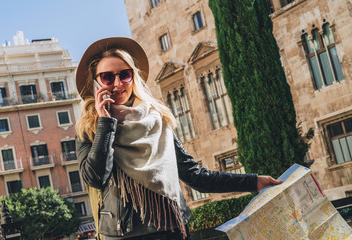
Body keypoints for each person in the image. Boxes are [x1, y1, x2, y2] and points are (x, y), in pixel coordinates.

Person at [75, 37, 282, 240]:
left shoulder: (158, 119)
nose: (118, 83)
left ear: (133, 77)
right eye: (108, 78)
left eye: (125, 75)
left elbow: (195, 176)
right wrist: (105, 124)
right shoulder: (90, 127)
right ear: (96, 82)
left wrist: (254, 181)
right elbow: (95, 177)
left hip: (172, 230)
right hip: (124, 234)